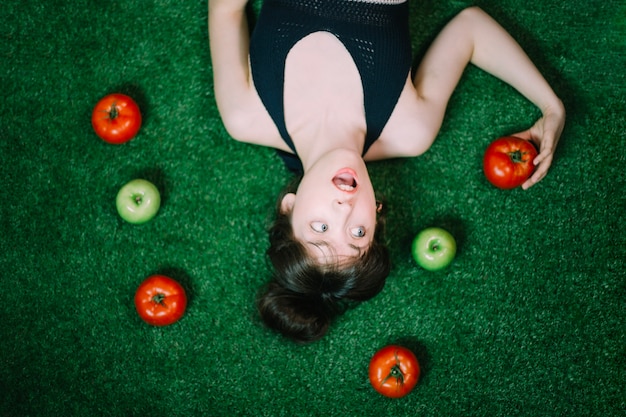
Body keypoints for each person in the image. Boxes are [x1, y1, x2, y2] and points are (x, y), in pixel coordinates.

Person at [208, 0, 565, 343]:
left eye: (321, 228)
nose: (344, 209)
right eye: (358, 232)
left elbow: (226, 8)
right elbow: (470, 28)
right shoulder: (409, 129)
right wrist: (551, 106)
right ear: (377, 213)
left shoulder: (246, 115)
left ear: (290, 206)